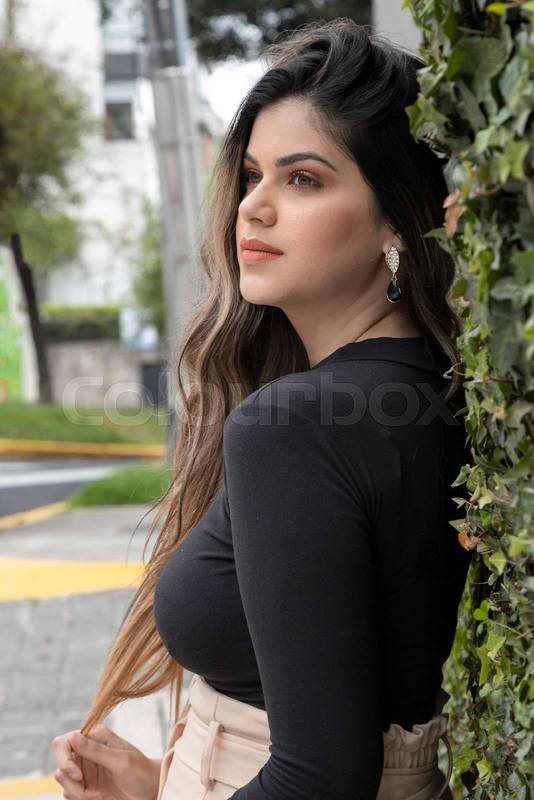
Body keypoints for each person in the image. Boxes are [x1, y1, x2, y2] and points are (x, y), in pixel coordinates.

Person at [52, 18, 474, 800]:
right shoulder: (435, 391)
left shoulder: (303, 426)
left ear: (395, 219)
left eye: (303, 179)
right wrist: (165, 783)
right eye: (253, 175)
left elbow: (320, 778)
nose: (254, 207)